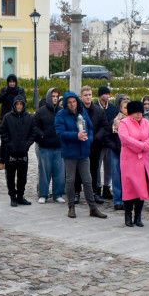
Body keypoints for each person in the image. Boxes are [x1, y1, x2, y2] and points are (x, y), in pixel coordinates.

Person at [54, 91, 106, 219]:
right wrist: (76, 136)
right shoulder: (61, 115)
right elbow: (60, 134)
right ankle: (71, 206)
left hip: (83, 151)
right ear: (66, 103)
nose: (72, 104)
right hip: (70, 152)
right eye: (70, 102)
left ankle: (93, 208)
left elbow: (90, 127)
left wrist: (89, 140)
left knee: (88, 180)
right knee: (70, 180)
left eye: (74, 102)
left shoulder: (82, 112)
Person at [117, 100, 149, 227]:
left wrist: (146, 146)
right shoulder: (124, 123)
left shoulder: (146, 122)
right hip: (130, 161)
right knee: (130, 189)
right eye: (136, 112)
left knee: (142, 189)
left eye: (140, 112)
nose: (139, 115)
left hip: (144, 161)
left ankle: (138, 216)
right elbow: (126, 139)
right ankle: (128, 216)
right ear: (131, 113)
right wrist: (141, 146)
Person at [0, 93, 36, 206]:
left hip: (23, 152)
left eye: (21, 104)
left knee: (22, 177)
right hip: (10, 153)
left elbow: (33, 133)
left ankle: (20, 195)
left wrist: (27, 144)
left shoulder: (29, 117)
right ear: (14, 105)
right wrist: (9, 144)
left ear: (24, 105)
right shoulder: (7, 117)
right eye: (17, 104)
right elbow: (3, 132)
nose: (19, 106)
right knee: (10, 176)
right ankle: (13, 196)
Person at [34, 87, 65, 204]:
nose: (55, 99)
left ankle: (57, 194)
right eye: (53, 96)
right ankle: (43, 194)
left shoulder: (62, 111)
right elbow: (34, 127)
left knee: (59, 172)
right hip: (45, 147)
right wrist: (42, 136)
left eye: (57, 96)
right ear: (49, 97)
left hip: (59, 147)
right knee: (44, 172)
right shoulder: (41, 111)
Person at [90, 85, 116, 201]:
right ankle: (98, 187)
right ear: (100, 95)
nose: (107, 96)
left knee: (109, 167)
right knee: (97, 167)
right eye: (105, 94)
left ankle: (107, 187)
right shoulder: (94, 107)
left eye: (108, 94)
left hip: (109, 142)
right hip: (98, 142)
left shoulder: (113, 108)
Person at [107, 94, 130, 211]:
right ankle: (117, 199)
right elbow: (109, 136)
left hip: (130, 153)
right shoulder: (115, 121)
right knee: (116, 176)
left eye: (128, 107)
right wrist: (114, 147)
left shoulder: (133, 121)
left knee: (128, 177)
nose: (126, 109)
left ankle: (127, 198)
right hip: (117, 151)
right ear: (120, 108)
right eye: (124, 107)